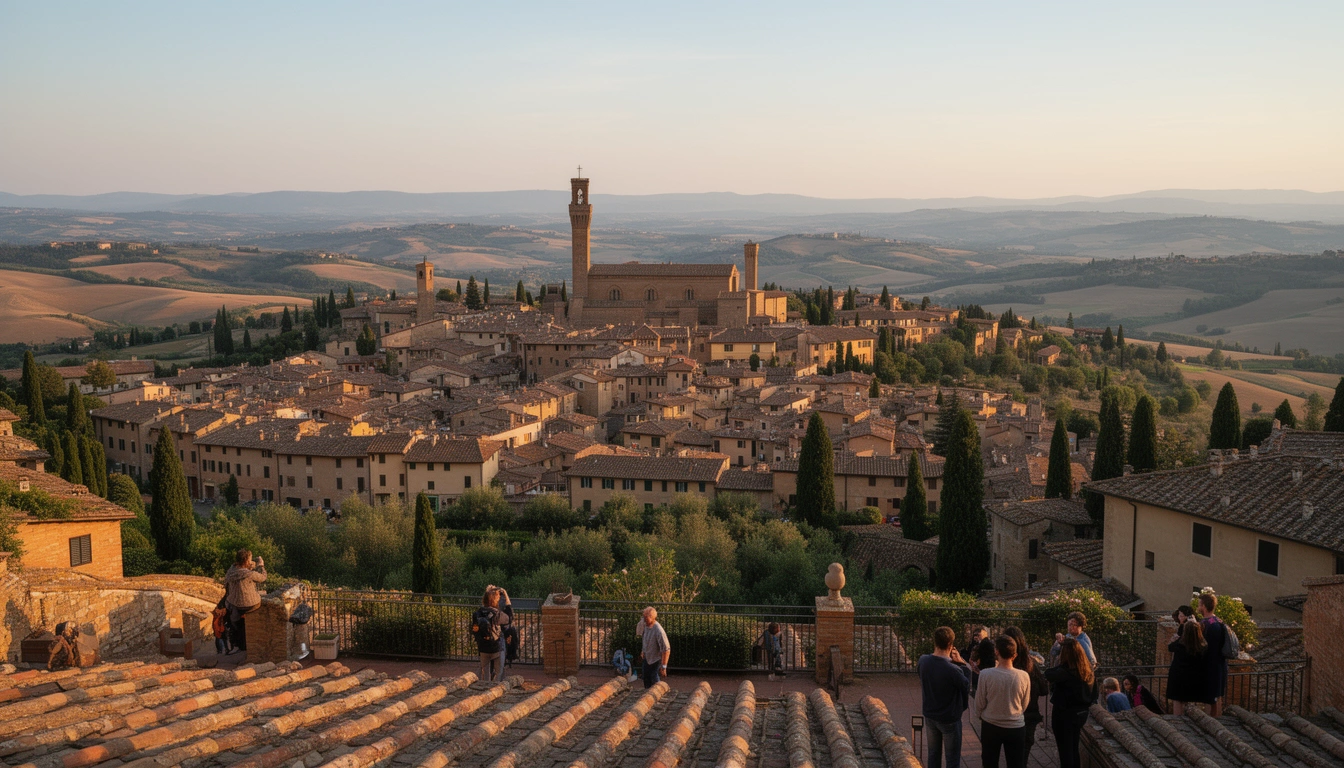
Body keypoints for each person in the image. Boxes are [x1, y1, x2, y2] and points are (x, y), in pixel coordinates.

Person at [917, 626, 972, 768]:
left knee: (933, 755)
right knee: (952, 759)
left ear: (934, 642)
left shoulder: (923, 661)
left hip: (930, 715)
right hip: (949, 719)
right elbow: (966, 686)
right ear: (951, 645)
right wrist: (962, 663)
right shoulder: (954, 669)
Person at [975, 634, 1031, 768]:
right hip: (1015, 725)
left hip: (991, 724)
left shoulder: (985, 674)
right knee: (1016, 763)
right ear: (1015, 654)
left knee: (989, 762)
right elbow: (1024, 703)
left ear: (996, 652)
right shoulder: (1024, 676)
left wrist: (980, 715)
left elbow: (980, 702)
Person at [1045, 636, 1095, 768]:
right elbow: (1094, 694)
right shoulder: (1088, 671)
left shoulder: (1064, 672)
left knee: (1065, 752)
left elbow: (1048, 673)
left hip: (1063, 716)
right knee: (1073, 748)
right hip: (1080, 714)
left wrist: (1060, 663)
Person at [1002, 626, 1047, 764]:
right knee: (1022, 757)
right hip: (1029, 715)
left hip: (1010, 716)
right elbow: (1044, 689)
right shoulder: (1031, 664)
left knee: (1012, 756)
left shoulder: (1004, 667)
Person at [224, 549, 267, 652]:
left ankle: (238, 643)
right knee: (258, 599)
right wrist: (261, 565)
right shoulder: (248, 574)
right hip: (250, 604)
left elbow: (241, 569)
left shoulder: (231, 571)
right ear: (246, 561)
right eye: (250, 559)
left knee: (232, 608)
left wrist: (251, 565)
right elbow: (263, 578)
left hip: (234, 603)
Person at [1165, 618, 1207, 716]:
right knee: (1190, 700)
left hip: (1178, 676)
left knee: (1178, 701)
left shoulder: (1180, 644)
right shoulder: (1202, 646)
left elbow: (1170, 647)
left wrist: (1179, 637)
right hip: (1194, 676)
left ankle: (1179, 722)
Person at [471, 586, 513, 682]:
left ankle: (483, 690)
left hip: (483, 648)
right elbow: (510, 618)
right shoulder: (497, 614)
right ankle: (496, 691)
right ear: (495, 600)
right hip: (497, 647)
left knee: (484, 675)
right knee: (499, 674)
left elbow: (475, 630)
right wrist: (505, 595)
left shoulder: (477, 614)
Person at [1198, 593, 1229, 716]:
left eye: (1199, 605)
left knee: (1209, 697)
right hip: (1220, 665)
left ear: (1204, 606)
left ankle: (1211, 722)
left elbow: (1204, 648)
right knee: (1217, 697)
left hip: (1210, 666)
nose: (1198, 608)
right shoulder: (1218, 622)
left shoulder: (1206, 625)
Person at [639, 606, 670, 689]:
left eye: (646, 617)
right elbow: (645, 639)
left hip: (655, 660)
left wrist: (664, 666)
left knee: (655, 681)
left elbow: (666, 649)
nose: (644, 619)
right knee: (646, 678)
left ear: (652, 617)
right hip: (647, 658)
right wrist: (643, 650)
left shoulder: (659, 630)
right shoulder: (646, 626)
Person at [963, 626, 988, 693]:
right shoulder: (973, 645)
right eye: (975, 635)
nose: (975, 637)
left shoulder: (985, 645)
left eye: (978, 635)